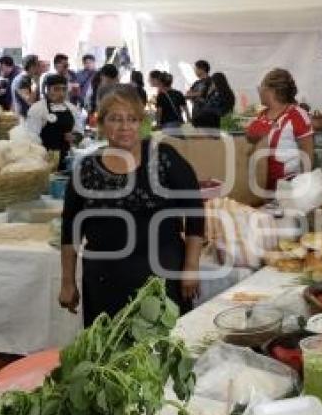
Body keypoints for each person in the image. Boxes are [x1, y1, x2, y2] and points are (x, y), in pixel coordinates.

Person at [59, 84, 204, 327]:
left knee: (164, 354)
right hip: (105, 283)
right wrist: (67, 281)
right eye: (115, 119)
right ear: (101, 124)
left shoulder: (164, 157)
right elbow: (70, 227)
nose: (125, 126)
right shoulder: (86, 169)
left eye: (132, 119)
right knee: (110, 354)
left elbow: (195, 214)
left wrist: (191, 267)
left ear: (141, 122)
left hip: (162, 279)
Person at [245, 68, 314, 192]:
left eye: (260, 87)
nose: (259, 91)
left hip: (287, 189)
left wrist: (304, 189)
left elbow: (308, 154)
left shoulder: (297, 114)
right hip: (261, 187)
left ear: (271, 90)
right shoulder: (262, 115)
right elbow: (250, 144)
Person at [26, 74, 82, 164]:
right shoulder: (38, 109)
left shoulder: (72, 109)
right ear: (47, 90)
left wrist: (75, 137)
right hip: (44, 159)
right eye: (56, 89)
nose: (61, 94)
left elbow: (79, 131)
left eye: (64, 89)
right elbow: (32, 138)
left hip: (67, 158)